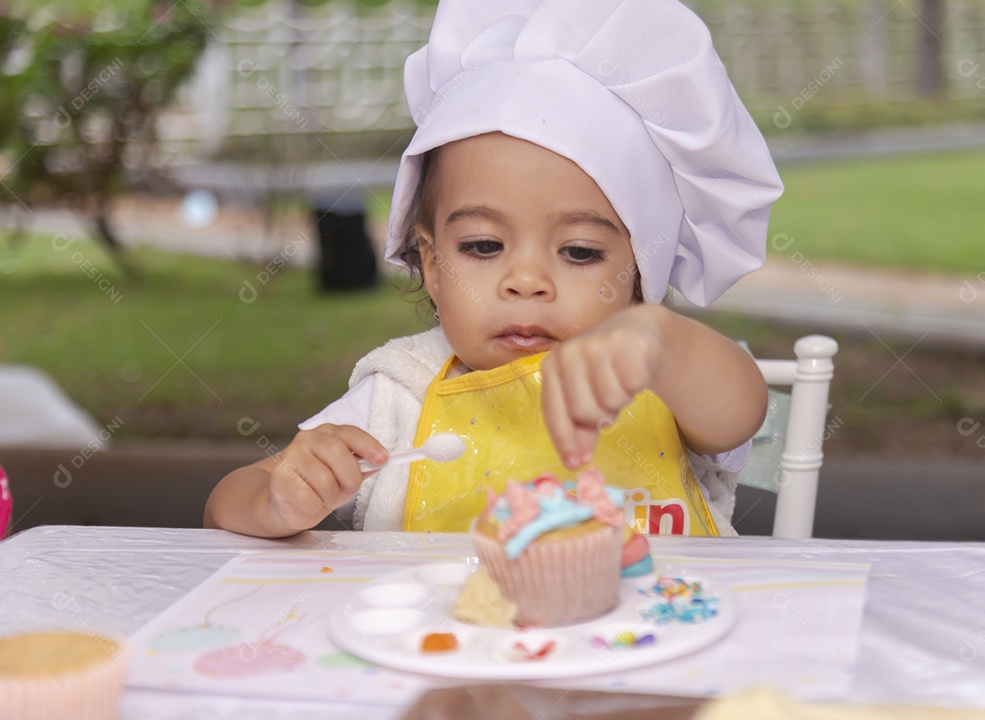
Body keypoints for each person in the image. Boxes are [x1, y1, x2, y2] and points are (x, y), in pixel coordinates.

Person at [205, 0, 783, 539]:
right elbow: (228, 502)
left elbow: (742, 411)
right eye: (483, 246)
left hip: (661, 644)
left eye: (580, 252)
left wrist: (660, 342)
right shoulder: (401, 392)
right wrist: (280, 499)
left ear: (641, 273)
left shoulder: (668, 377)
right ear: (431, 264)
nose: (526, 281)